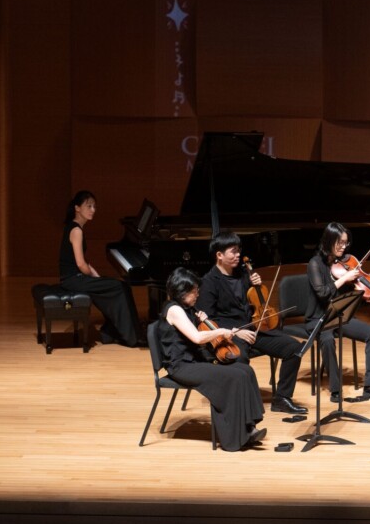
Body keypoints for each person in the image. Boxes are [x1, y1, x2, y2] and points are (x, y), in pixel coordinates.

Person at [196, 232, 307, 415]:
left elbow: (252, 302)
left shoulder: (242, 275)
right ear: (219, 255)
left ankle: (282, 399)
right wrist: (234, 331)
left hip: (253, 329)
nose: (238, 254)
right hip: (231, 335)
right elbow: (207, 320)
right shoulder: (208, 282)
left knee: (294, 348)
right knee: (239, 360)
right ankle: (245, 409)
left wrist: (256, 285)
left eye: (238, 250)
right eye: (233, 251)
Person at [157, 268, 265, 451]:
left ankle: (249, 426)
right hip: (182, 366)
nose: (197, 295)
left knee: (245, 370)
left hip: (194, 361)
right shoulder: (174, 309)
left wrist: (203, 320)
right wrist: (220, 331)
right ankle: (235, 438)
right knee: (234, 377)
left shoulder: (187, 309)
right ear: (182, 291)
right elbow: (197, 338)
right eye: (194, 291)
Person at [305, 223, 370, 404]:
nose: (344, 247)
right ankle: (335, 389)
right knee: (327, 340)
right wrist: (344, 278)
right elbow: (323, 294)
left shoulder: (345, 263)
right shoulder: (315, 264)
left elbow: (350, 298)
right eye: (340, 243)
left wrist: (367, 299)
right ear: (329, 241)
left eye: (345, 243)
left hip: (341, 316)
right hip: (319, 318)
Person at [58, 190, 141, 347]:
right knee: (118, 286)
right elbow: (80, 264)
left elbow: (85, 262)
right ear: (77, 208)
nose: (93, 210)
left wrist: (98, 278)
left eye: (94, 206)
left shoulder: (74, 227)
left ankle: (116, 331)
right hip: (73, 280)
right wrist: (93, 277)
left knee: (120, 285)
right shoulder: (76, 231)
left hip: (75, 278)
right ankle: (130, 336)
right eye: (89, 206)